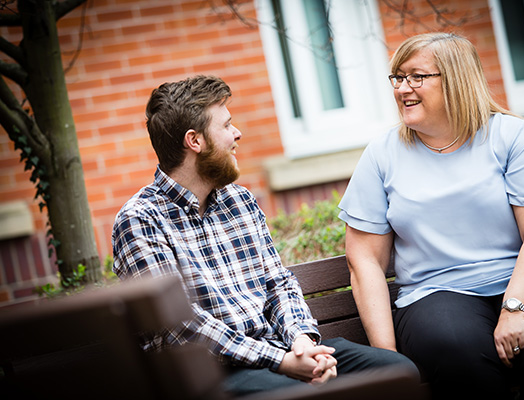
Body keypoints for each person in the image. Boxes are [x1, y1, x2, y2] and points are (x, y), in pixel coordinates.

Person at [112, 75, 418, 397]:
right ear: (195, 141)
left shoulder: (238, 200)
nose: (237, 133)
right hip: (210, 375)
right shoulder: (140, 220)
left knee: (396, 370)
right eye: (226, 126)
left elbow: (278, 283)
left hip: (280, 352)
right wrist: (281, 361)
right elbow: (179, 327)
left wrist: (302, 341)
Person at [338, 32, 524, 400]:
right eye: (397, 77)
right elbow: (364, 260)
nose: (401, 88)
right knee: (457, 350)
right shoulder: (382, 155)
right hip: (436, 293)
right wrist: (387, 359)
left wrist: (514, 308)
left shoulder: (511, 136)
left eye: (416, 76)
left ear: (456, 79)